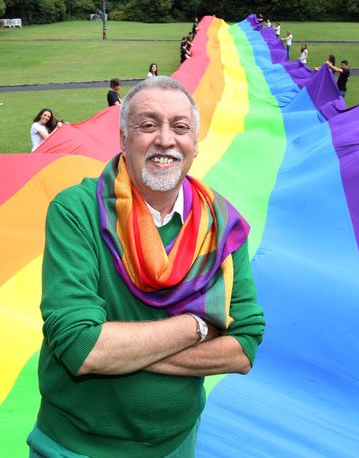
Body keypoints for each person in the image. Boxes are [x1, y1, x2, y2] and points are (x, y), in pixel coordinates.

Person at [26, 76, 265, 457]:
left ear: (195, 145)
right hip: (74, 446)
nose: (166, 139)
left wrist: (123, 353)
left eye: (181, 127)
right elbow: (81, 347)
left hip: (176, 443)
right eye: (148, 125)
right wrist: (199, 326)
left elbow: (245, 346)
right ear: (123, 139)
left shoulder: (221, 224)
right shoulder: (78, 210)